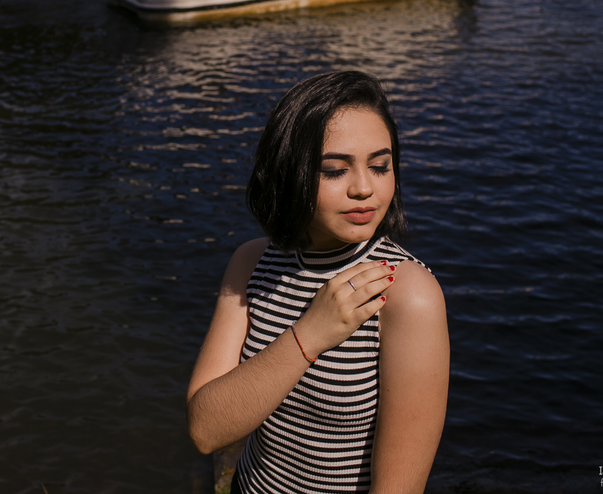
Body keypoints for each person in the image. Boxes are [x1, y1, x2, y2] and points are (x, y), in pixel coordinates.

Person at [187, 71, 449, 494]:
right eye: (334, 170)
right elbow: (205, 430)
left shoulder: (407, 295)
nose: (364, 188)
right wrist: (309, 335)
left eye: (380, 166)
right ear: (289, 172)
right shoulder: (252, 263)